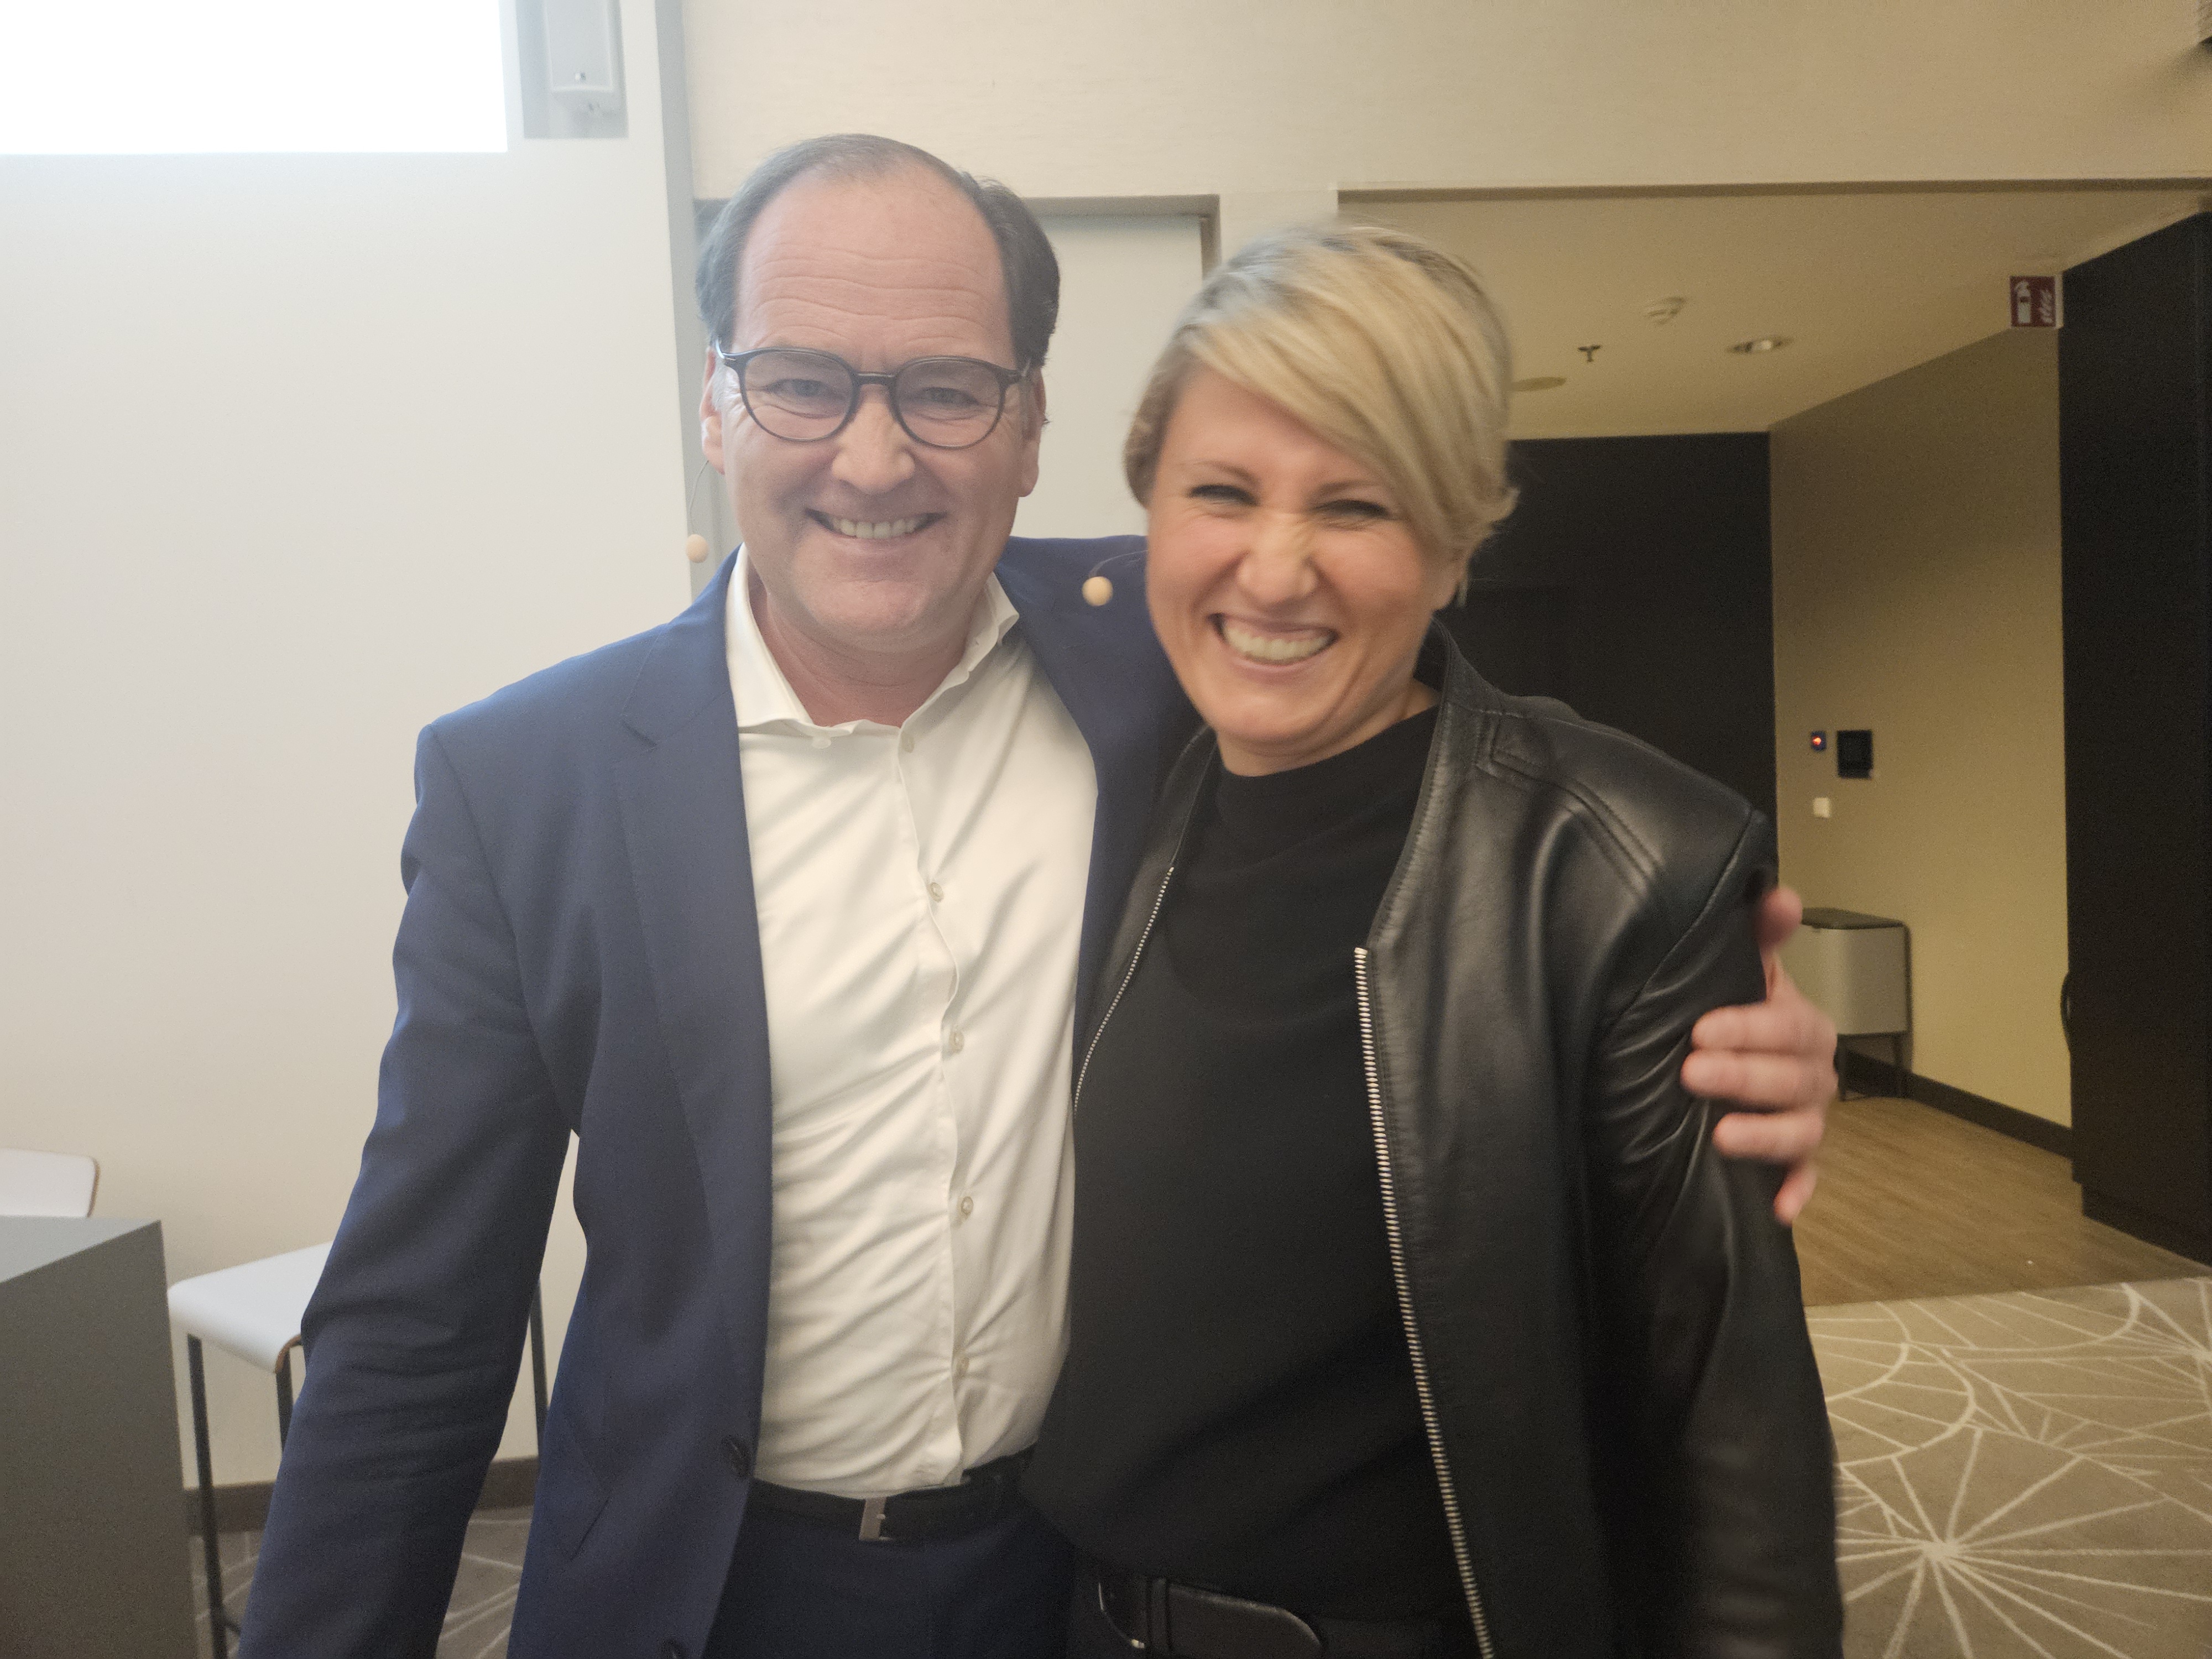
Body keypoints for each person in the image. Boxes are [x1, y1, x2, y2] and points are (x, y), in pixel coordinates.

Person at [238, 138, 1836, 1659]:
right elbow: (418, 1323)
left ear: (1029, 425)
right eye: (801, 380)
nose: (874, 458)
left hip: (1058, 1579)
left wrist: (1674, 950)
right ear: (717, 406)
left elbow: (1430, 744)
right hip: (703, 1585)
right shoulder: (529, 783)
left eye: (945, 390)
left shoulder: (1153, 666)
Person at [1025, 226, 1842, 1658]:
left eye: (1358, 505)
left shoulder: (1616, 870)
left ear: (1457, 546)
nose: (1275, 570)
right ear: (1148, 501)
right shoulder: (1116, 785)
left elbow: (1735, 1449)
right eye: (1221, 491)